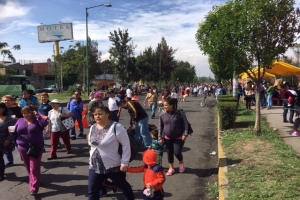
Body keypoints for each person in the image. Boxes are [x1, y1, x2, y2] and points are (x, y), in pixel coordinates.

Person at [87, 106, 135, 200]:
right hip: (95, 166)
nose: (97, 116)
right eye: (95, 114)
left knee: (123, 186)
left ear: (107, 114)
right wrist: (90, 158)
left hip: (113, 166)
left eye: (100, 114)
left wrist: (124, 162)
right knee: (92, 191)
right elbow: (92, 145)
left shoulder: (116, 127)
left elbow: (126, 145)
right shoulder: (93, 127)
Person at [13, 105, 48, 195]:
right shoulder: (20, 121)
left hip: (36, 147)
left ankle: (34, 188)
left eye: (28, 112)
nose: (26, 115)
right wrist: (12, 131)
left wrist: (37, 115)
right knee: (28, 167)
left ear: (32, 112)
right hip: (23, 147)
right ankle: (33, 180)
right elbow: (15, 131)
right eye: (24, 113)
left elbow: (44, 124)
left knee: (34, 167)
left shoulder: (37, 120)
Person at [158, 97, 188, 176]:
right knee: (169, 153)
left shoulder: (179, 113)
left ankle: (181, 162)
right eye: (164, 105)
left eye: (166, 105)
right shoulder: (162, 115)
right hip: (167, 137)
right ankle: (171, 168)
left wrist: (185, 134)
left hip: (178, 136)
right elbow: (160, 127)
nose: (164, 107)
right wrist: (160, 137)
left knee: (177, 152)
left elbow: (185, 123)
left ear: (171, 105)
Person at [2, 95, 23, 167]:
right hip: (6, 132)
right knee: (6, 146)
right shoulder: (2, 109)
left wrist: (16, 118)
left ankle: (23, 156)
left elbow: (24, 119)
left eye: (8, 100)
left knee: (19, 145)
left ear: (12, 101)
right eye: (5, 100)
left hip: (17, 130)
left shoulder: (18, 109)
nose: (6, 102)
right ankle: (10, 161)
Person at [0, 103, 16, 181]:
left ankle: (1, 174)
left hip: (3, 142)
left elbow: (12, 132)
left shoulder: (9, 119)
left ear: (3, 109)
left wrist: (8, 139)